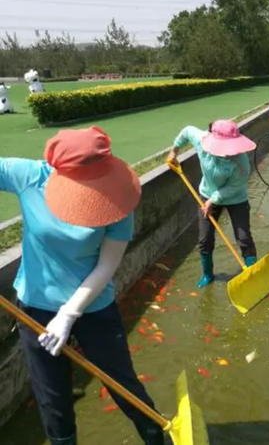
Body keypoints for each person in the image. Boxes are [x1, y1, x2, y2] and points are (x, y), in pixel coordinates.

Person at [0, 126, 166, 445]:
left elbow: (107, 263)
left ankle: (155, 436)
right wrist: (55, 315)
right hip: (36, 305)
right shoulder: (30, 177)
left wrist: (68, 314)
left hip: (93, 304)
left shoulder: (118, 195)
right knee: (53, 399)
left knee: (122, 381)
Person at [167, 120, 258, 288]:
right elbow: (187, 129)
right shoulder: (202, 141)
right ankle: (208, 274)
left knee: (243, 237)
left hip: (235, 198)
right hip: (206, 194)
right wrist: (174, 151)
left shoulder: (241, 163)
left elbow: (234, 186)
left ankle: (253, 272)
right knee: (205, 239)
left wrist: (212, 200)